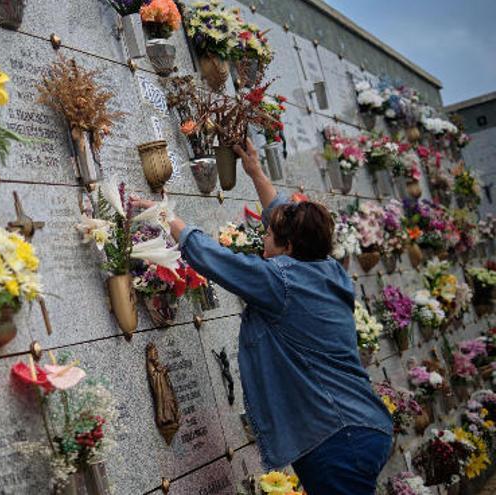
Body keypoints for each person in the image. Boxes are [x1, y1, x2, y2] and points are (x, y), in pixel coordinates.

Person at [131, 139, 393, 495]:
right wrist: (255, 173)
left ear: (288, 247)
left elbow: (215, 259)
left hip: (336, 435)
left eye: (268, 235)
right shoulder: (327, 269)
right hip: (360, 425)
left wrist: (165, 217)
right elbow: (286, 217)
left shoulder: (280, 280)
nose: (263, 239)